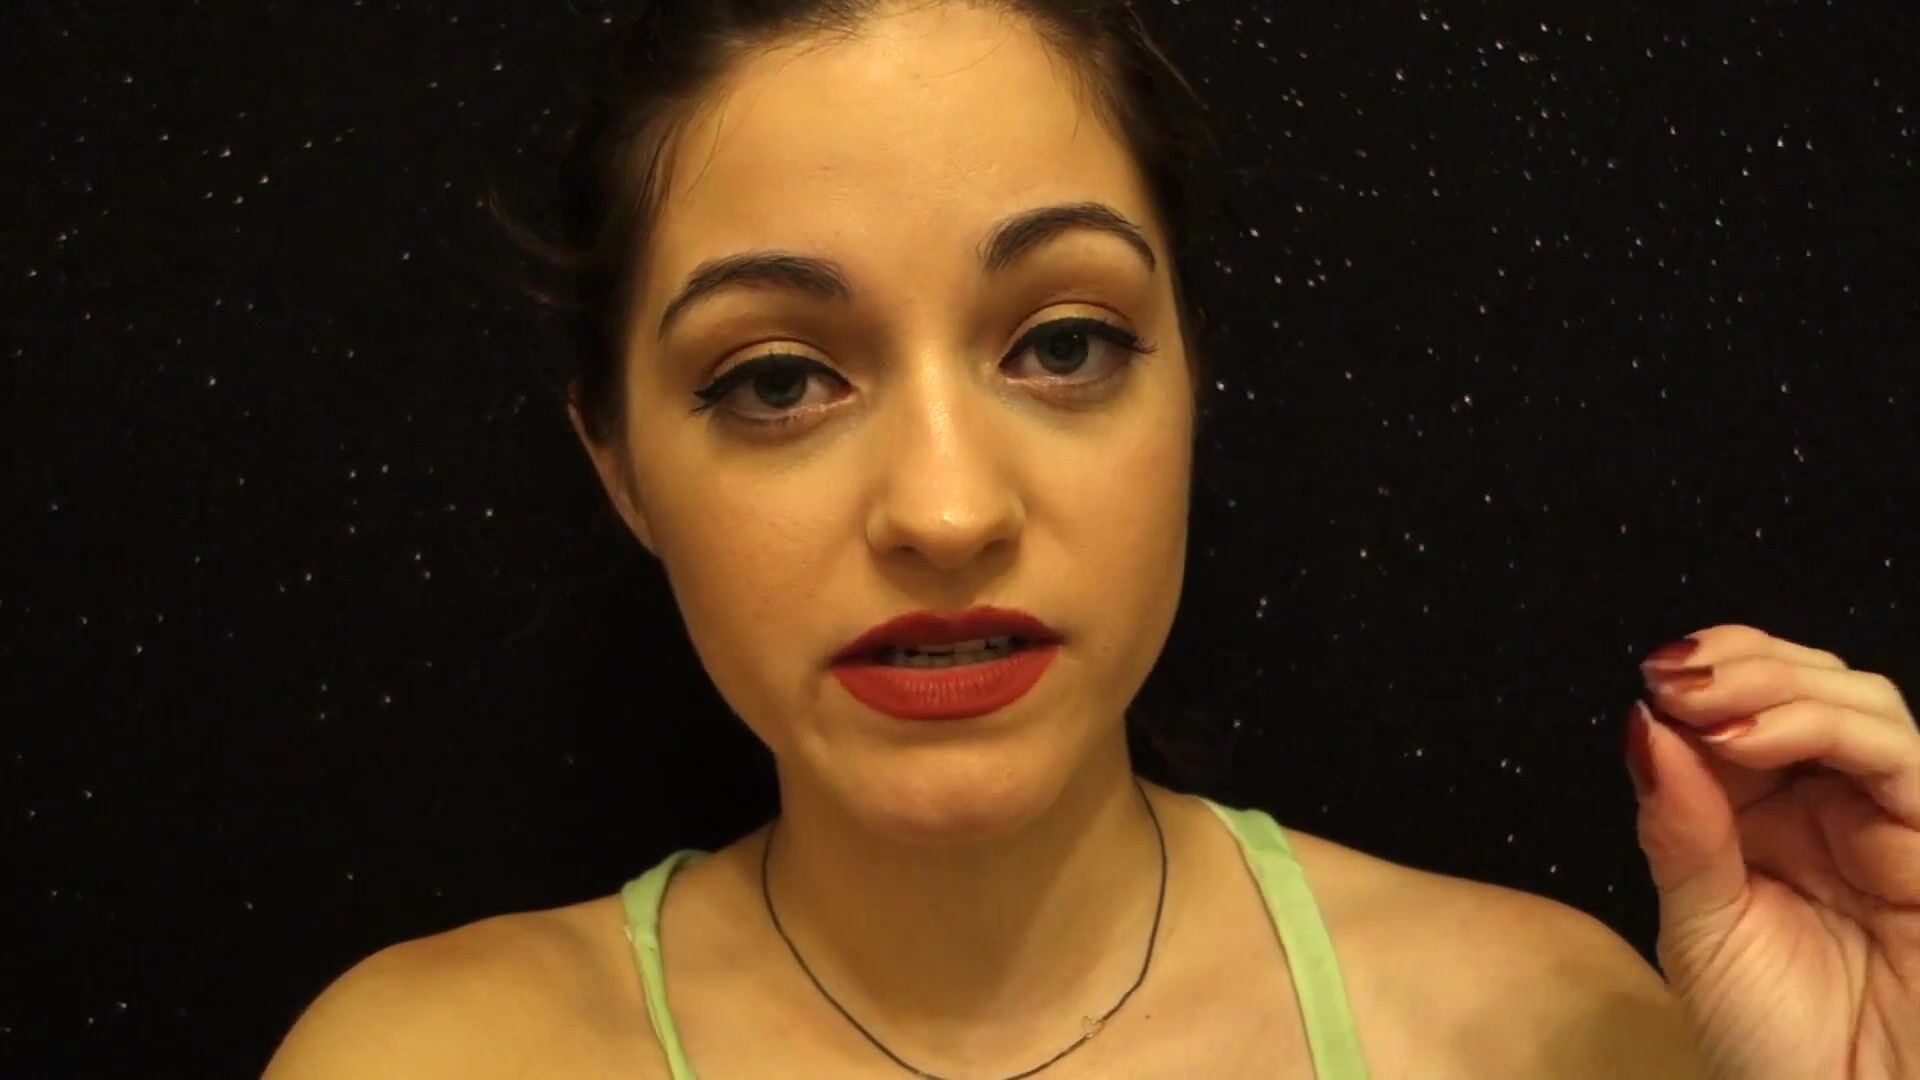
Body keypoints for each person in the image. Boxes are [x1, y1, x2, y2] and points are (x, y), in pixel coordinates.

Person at [264, 3, 1920, 1077]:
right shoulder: (420, 1060)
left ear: (1192, 379)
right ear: (621, 467)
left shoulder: (1545, 1038)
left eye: (1063, 344)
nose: (947, 512)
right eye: (776, 380)